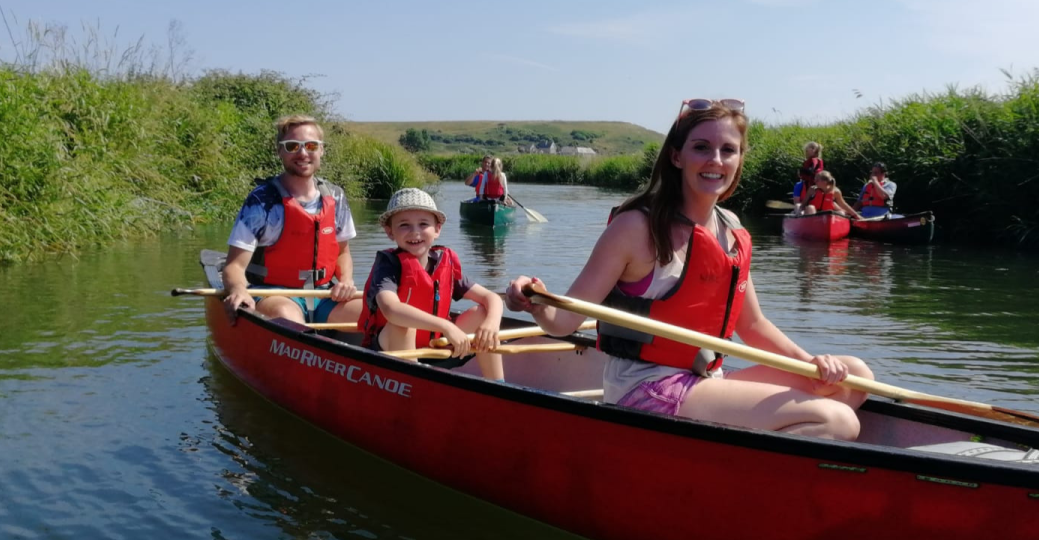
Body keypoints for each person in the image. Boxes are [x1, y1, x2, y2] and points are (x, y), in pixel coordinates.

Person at [505, 100, 872, 440]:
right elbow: (564, 321)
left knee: (853, 377)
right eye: (701, 147)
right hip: (646, 388)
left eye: (728, 150)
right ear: (677, 156)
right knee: (836, 421)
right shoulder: (636, 227)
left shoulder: (730, 226)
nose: (715, 160)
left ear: (740, 158)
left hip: (703, 378)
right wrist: (534, 299)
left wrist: (811, 364)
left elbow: (753, 325)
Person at [221, 115, 361, 325]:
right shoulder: (262, 201)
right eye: (292, 146)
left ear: (321, 150)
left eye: (311, 145)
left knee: (377, 315)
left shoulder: (336, 196)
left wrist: (346, 281)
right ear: (280, 151)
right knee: (289, 318)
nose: (303, 153)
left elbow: (343, 253)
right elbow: (234, 265)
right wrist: (239, 290)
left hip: (324, 295)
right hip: (274, 294)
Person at [357, 188, 505, 380]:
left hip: (438, 349)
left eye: (423, 224)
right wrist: (447, 326)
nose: (415, 232)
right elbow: (391, 309)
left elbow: (491, 297)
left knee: (483, 313)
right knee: (402, 324)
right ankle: (413, 385)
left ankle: (498, 386)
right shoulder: (388, 265)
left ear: (437, 230)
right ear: (389, 231)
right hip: (394, 352)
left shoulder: (445, 264)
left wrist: (491, 325)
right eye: (404, 225)